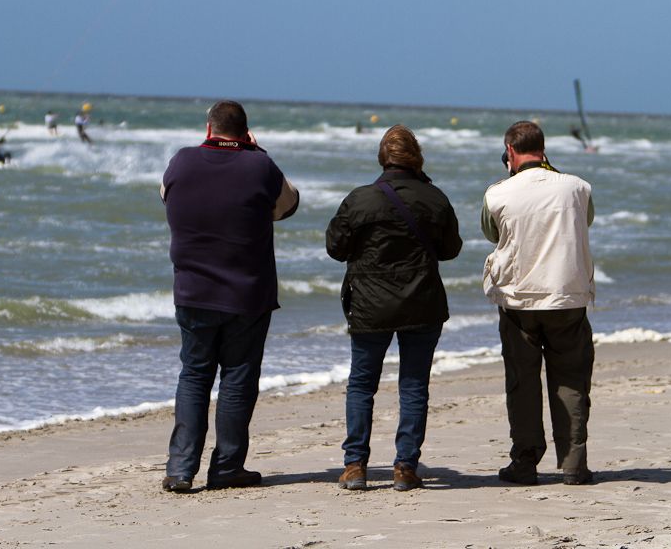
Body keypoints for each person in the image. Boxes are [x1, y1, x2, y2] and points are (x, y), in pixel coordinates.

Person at [160, 100, 299, 493]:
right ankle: (226, 468)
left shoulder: (182, 162)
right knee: (238, 379)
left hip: (192, 289)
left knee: (194, 374)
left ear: (209, 128)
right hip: (247, 292)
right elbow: (287, 205)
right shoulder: (260, 165)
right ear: (245, 132)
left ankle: (181, 468)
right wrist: (258, 153)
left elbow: (167, 196)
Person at [326, 125, 462, 492]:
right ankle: (405, 467)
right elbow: (451, 249)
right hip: (422, 302)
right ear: (416, 158)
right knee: (414, 385)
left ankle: (355, 465)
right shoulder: (435, 198)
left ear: (382, 159)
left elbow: (335, 248)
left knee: (361, 385)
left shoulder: (360, 199)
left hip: (371, 306)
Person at [480, 120, 596, 486]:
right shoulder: (577, 187)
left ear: (510, 152)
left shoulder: (499, 192)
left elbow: (490, 232)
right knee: (572, 380)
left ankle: (525, 461)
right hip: (567, 294)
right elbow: (585, 221)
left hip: (519, 300)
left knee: (522, 382)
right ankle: (574, 463)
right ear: (544, 150)